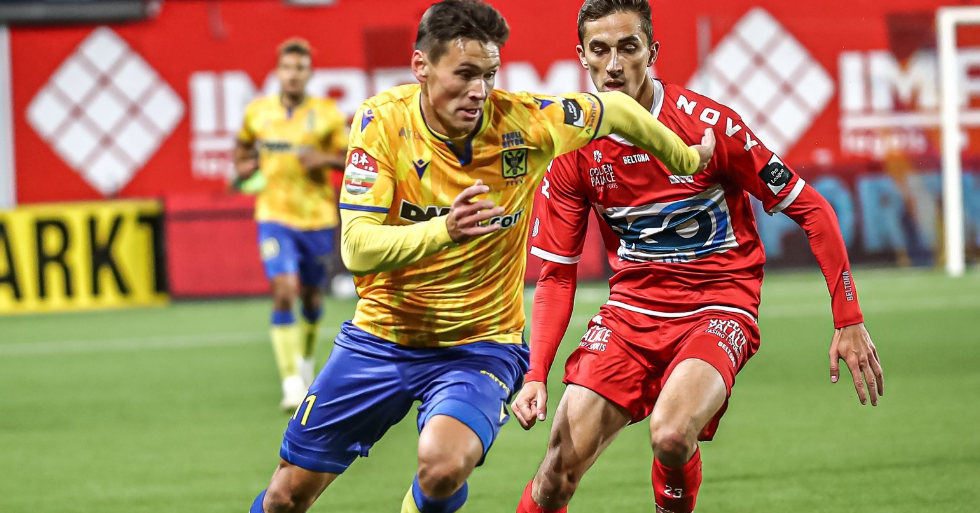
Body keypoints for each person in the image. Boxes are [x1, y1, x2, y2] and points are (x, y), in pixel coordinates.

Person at [247, 1, 715, 512]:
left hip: (480, 344)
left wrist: (685, 158)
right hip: (382, 336)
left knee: (443, 467)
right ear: (422, 66)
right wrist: (444, 229)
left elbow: (618, 111)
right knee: (284, 498)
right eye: (465, 74)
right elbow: (357, 248)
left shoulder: (526, 122)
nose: (480, 90)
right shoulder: (382, 121)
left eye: (489, 74)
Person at [511, 1, 885, 512]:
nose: (614, 65)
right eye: (600, 50)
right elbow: (556, 274)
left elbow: (813, 210)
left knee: (670, 434)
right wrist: (536, 372)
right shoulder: (571, 147)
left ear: (652, 52)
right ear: (582, 55)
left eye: (628, 47)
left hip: (719, 306)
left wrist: (848, 318)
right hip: (631, 314)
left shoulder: (710, 125)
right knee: (555, 473)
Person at [233, 38, 349, 410]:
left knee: (312, 298)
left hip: (316, 218)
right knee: (283, 291)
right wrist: (243, 167)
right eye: (287, 68)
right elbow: (242, 149)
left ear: (309, 73)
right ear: (278, 72)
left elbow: (353, 156)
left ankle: (305, 362)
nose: (293, 75)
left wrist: (325, 159)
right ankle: (291, 383)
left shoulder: (327, 113)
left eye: (300, 68)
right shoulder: (258, 113)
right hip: (273, 216)